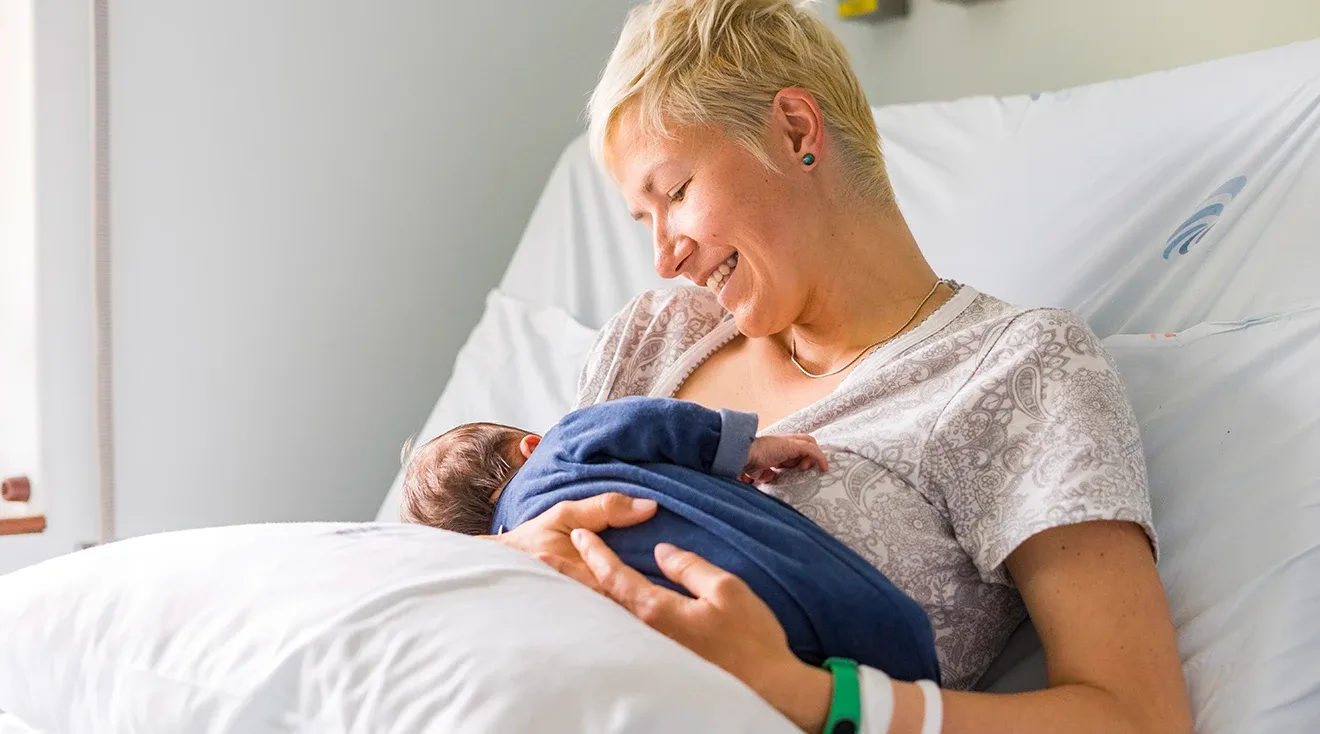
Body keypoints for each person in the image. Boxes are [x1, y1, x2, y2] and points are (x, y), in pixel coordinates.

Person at [486, 1, 1195, 732]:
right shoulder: (649, 341)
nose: (666, 257)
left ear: (796, 129)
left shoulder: (1015, 371)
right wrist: (504, 557)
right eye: (644, 220)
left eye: (675, 193)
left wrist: (813, 698)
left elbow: (1140, 715)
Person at [399, 396, 941, 682]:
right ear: (529, 446)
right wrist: (744, 448)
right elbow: (651, 422)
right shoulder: (561, 446)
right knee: (861, 613)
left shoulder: (529, 572)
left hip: (714, 649)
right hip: (772, 572)